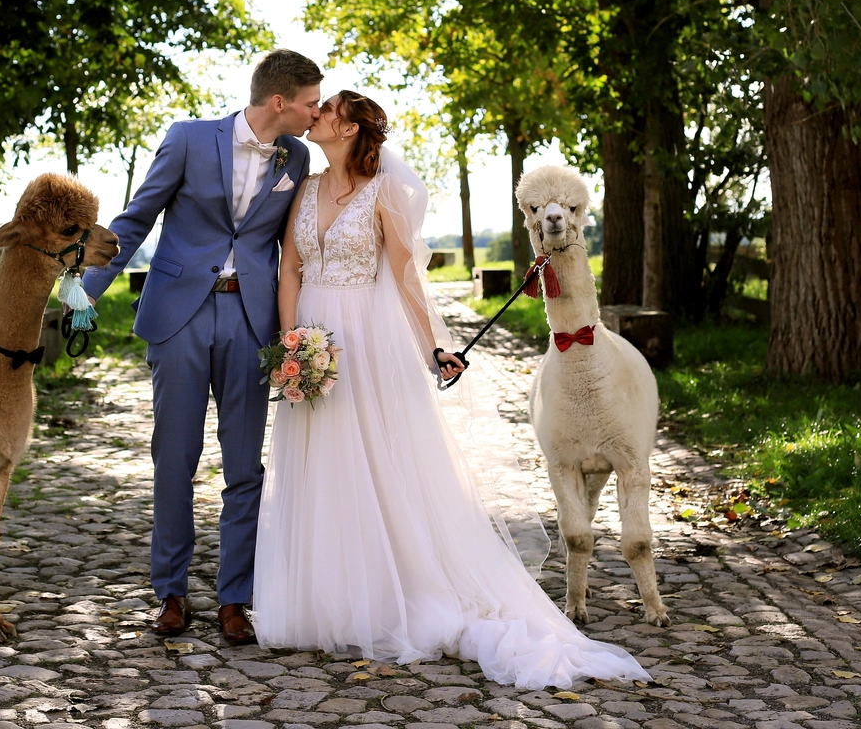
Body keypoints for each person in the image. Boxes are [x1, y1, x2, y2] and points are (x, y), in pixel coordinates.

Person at [252, 90, 648, 689]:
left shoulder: (383, 192)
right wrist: (290, 347)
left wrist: (434, 344)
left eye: (327, 109)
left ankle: (397, 592)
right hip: (312, 338)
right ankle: (330, 599)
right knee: (321, 465)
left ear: (353, 126)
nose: (317, 116)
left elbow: (407, 274)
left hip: (369, 343)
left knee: (381, 466)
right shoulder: (304, 188)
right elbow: (289, 270)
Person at [80, 49, 322, 644]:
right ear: (279, 101)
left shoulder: (297, 155)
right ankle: (171, 592)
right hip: (180, 316)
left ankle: (234, 600)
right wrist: (83, 293)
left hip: (250, 320)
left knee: (245, 466)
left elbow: (296, 244)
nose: (316, 114)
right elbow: (136, 219)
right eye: (311, 103)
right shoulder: (188, 139)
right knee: (175, 459)